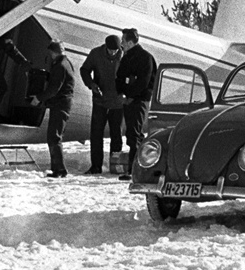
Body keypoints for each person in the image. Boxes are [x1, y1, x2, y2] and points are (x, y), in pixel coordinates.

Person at [13, 39, 75, 178]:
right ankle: (58, 169)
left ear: (53, 53)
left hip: (60, 104)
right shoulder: (67, 63)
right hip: (63, 103)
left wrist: (38, 98)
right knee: (55, 136)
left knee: (54, 137)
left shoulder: (59, 66)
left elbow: (54, 88)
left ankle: (59, 170)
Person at [80, 34, 126, 174]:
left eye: (116, 50)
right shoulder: (96, 53)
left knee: (116, 136)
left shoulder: (125, 56)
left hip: (118, 103)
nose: (113, 53)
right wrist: (91, 84)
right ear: (105, 47)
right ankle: (96, 166)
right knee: (96, 134)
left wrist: (127, 91)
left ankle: (115, 166)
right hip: (100, 101)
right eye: (110, 50)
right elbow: (84, 70)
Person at [114, 28, 156, 178]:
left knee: (135, 134)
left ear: (131, 42)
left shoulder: (145, 58)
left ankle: (135, 170)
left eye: (124, 41)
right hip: (129, 100)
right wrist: (121, 92)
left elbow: (144, 82)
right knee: (131, 134)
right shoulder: (127, 58)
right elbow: (120, 77)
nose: (122, 44)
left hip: (139, 101)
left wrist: (131, 94)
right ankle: (135, 167)